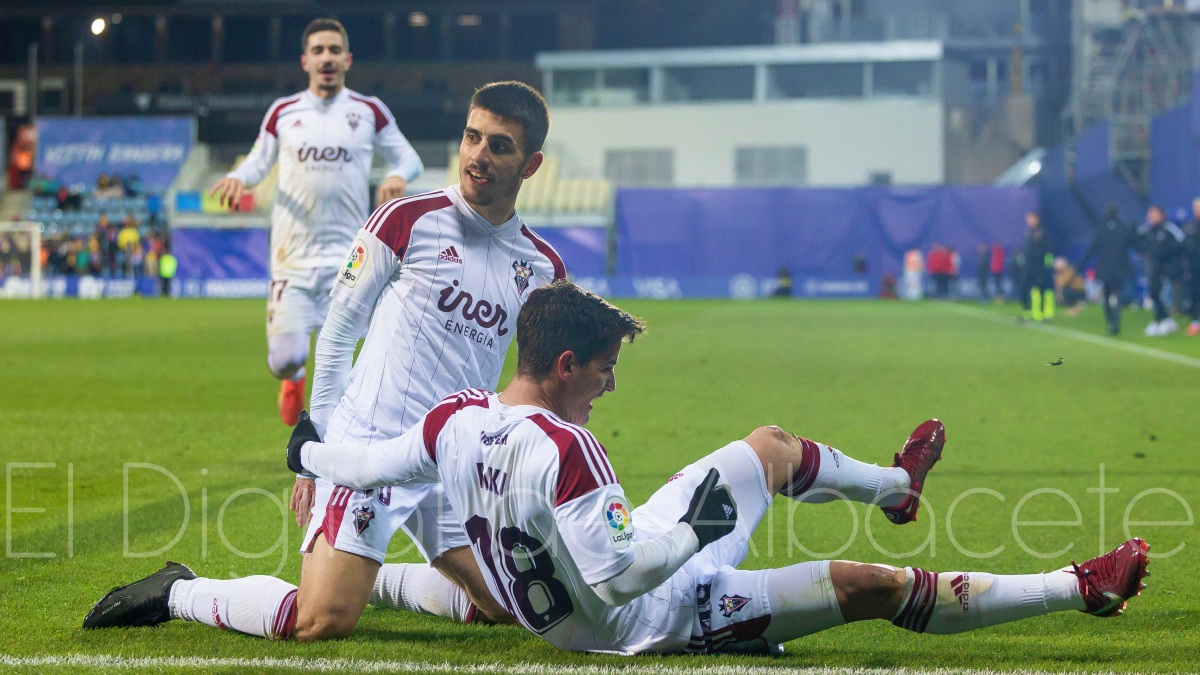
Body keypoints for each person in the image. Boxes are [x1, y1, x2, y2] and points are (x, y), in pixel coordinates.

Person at [275, 280, 1148, 655]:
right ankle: (1080, 587)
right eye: (607, 367)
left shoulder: (453, 420)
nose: (612, 383)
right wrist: (700, 528)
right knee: (868, 585)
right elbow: (619, 580)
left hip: (615, 562)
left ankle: (895, 485)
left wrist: (306, 450)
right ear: (569, 362)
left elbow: (371, 459)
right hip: (649, 618)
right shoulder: (569, 450)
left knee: (767, 447)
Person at [85, 81, 568, 642]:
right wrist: (319, 449)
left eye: (499, 146)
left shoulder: (541, 268)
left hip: (450, 461)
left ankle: (375, 580)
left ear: (530, 164)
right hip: (369, 447)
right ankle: (178, 590)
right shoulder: (405, 220)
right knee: (320, 621)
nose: (478, 155)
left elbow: (532, 382)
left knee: (511, 605)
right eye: (471, 137)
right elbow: (339, 331)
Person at [210, 18, 424, 427]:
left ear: (348, 59)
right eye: (319, 50)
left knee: (341, 369)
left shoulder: (368, 111)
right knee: (284, 358)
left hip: (348, 261)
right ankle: (292, 379)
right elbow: (259, 162)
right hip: (291, 258)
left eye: (334, 50)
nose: (327, 57)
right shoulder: (283, 113)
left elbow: (408, 157)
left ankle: (328, 459)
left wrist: (398, 175)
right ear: (305, 60)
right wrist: (239, 176)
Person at [1079, 206, 1137, 335]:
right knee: (1119, 294)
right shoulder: (1124, 227)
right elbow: (1134, 244)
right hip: (1120, 267)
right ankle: (1115, 321)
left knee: (1107, 295)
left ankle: (1110, 321)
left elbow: (1091, 249)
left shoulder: (1100, 228)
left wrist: (1079, 267)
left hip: (1105, 268)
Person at [1136, 205, 1185, 336]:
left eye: (1154, 213)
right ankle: (1163, 319)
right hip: (1153, 268)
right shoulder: (1146, 230)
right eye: (1150, 213)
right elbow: (1137, 241)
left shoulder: (1169, 229)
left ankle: (1163, 320)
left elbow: (1181, 243)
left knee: (1162, 295)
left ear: (1161, 215)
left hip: (1168, 269)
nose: (1151, 216)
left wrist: (1169, 255)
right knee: (1153, 294)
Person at [1021, 212, 1054, 322]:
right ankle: (1030, 313)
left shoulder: (1043, 232)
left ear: (1037, 219)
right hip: (1028, 266)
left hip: (1039, 267)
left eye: (1031, 218)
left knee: (1042, 290)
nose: (1029, 220)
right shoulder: (1029, 232)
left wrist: (1046, 266)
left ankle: (1045, 314)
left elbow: (1049, 251)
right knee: (1027, 289)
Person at [1181, 198, 1200, 336]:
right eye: (1196, 209)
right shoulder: (1190, 227)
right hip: (1194, 268)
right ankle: (1194, 323)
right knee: (1194, 295)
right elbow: (1185, 248)